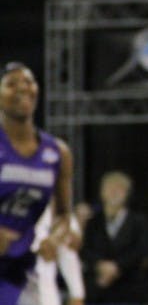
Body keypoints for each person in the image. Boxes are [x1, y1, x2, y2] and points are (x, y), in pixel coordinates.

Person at [0, 62, 74, 304]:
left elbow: (64, 214)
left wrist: (55, 238)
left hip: (20, 270)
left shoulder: (57, 152)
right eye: (12, 84)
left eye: (28, 82)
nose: (22, 88)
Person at [80, 170, 148, 304]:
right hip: (98, 289)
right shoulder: (93, 222)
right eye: (110, 188)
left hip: (130, 288)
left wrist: (117, 267)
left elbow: (141, 249)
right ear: (102, 192)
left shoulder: (139, 222)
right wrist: (100, 265)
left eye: (119, 188)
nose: (114, 192)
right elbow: (85, 249)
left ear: (127, 194)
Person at [34, 200, 86, 305]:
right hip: (21, 271)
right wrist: (56, 237)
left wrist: (77, 295)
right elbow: (44, 249)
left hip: (44, 274)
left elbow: (74, 243)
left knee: (66, 250)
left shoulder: (61, 211)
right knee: (45, 261)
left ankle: (77, 297)